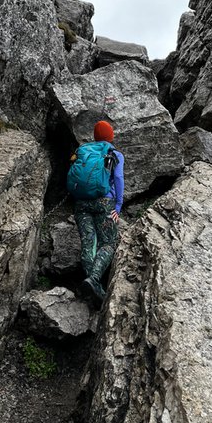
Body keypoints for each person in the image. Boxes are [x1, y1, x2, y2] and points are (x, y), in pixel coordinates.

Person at [74, 120, 124, 305]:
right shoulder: (114, 153)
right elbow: (118, 177)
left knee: (88, 242)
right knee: (108, 243)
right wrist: (118, 205)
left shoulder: (84, 152)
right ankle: (94, 280)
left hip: (81, 202)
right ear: (111, 137)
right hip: (104, 202)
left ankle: (92, 289)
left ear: (95, 137)